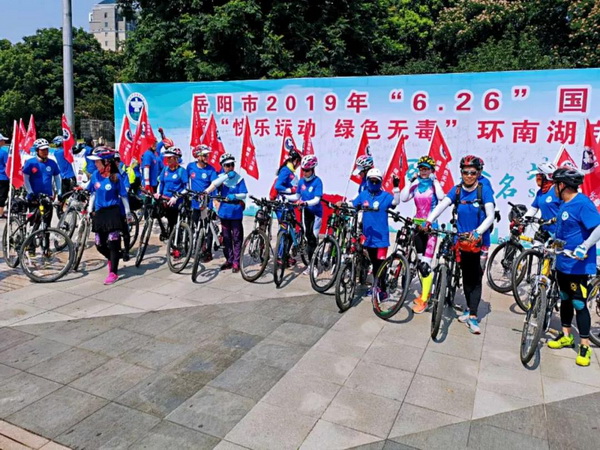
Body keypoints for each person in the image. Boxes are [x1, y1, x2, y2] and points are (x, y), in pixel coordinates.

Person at [426, 155, 495, 334]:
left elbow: (490, 216)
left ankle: (473, 315)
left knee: (475, 278)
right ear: (461, 173)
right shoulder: (457, 190)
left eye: (473, 172)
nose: (469, 176)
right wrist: (429, 220)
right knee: (466, 275)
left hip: (479, 243)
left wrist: (477, 232)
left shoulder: (484, 190)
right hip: (462, 242)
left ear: (478, 173)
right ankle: (468, 309)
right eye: (465, 172)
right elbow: (442, 204)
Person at [546, 168, 600, 367]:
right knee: (564, 298)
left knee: (579, 303)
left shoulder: (582, 203)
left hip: (578, 265)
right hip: (562, 261)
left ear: (562, 185)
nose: (553, 188)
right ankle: (566, 335)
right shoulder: (564, 204)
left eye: (555, 184)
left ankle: (584, 346)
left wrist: (584, 246)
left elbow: (598, 227)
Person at [400, 156, 445, 313]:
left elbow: (441, 197)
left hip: (431, 229)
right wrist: (409, 181)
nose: (423, 171)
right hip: (417, 228)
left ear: (432, 170)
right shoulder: (416, 185)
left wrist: (435, 180)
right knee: (421, 264)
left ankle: (425, 300)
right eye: (421, 169)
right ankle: (427, 293)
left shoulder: (434, 186)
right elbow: (404, 198)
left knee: (425, 265)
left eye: (426, 169)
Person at [351, 168, 401, 301]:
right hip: (368, 237)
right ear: (367, 181)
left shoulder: (385, 196)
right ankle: (376, 287)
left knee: (380, 265)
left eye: (376, 181)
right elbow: (353, 204)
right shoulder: (363, 195)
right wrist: (342, 204)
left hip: (381, 238)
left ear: (380, 182)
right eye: (371, 181)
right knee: (374, 263)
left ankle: (383, 291)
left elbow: (395, 202)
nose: (373, 183)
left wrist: (396, 188)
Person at [87, 147, 131, 285]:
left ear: (106, 162)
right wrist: (89, 209)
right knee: (99, 244)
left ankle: (113, 272)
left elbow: (123, 195)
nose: (95, 164)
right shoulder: (95, 175)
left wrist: (128, 212)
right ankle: (113, 258)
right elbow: (93, 193)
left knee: (113, 243)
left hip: (113, 212)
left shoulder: (116, 177)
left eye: (97, 161)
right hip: (99, 212)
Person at [204, 153, 248, 273]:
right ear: (223, 166)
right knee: (226, 237)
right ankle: (229, 259)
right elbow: (213, 186)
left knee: (237, 237)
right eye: (227, 165)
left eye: (232, 165)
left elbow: (244, 194)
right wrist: (225, 177)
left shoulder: (239, 178)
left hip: (236, 212)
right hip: (224, 212)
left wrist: (235, 196)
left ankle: (236, 262)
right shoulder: (220, 178)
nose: (230, 167)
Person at [22, 139, 61, 242]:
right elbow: (25, 179)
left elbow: (57, 178)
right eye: (42, 150)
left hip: (47, 197)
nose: (45, 152)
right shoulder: (30, 163)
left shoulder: (52, 163)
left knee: (47, 224)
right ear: (37, 150)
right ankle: (30, 245)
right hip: (34, 197)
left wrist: (59, 192)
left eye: (46, 149)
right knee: (34, 222)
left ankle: (46, 247)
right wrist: (30, 193)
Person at [187, 144, 218, 262]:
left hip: (206, 204)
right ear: (198, 156)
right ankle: (196, 247)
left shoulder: (211, 170)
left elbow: (214, 185)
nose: (207, 157)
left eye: (207, 155)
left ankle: (208, 252)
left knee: (207, 228)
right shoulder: (190, 167)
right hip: (195, 203)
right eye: (204, 155)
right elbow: (185, 181)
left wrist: (214, 199)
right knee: (195, 225)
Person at [296, 155, 323, 268]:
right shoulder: (301, 182)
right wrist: (284, 197)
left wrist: (305, 203)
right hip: (306, 213)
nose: (304, 173)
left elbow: (317, 199)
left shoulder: (318, 182)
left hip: (316, 214)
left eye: (307, 170)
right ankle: (310, 264)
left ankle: (314, 266)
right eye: (303, 170)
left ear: (313, 170)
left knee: (313, 239)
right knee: (307, 237)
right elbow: (297, 196)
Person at [156, 147, 188, 238]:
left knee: (172, 222)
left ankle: (174, 240)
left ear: (176, 158)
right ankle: (164, 231)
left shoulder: (181, 171)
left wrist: (176, 197)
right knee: (155, 212)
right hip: (164, 199)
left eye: (170, 158)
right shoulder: (165, 169)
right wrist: (158, 193)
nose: (168, 160)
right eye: (167, 158)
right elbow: (161, 182)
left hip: (175, 202)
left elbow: (187, 188)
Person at [523, 162, 560, 234]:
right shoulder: (540, 193)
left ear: (546, 177)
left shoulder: (558, 191)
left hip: (559, 232)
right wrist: (522, 220)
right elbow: (533, 209)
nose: (536, 179)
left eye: (539, 176)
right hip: (545, 231)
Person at [0, 133, 9, 219]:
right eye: (3, 140)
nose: (4, 142)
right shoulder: (3, 153)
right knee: (2, 196)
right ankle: (0, 212)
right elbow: (7, 165)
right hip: (3, 177)